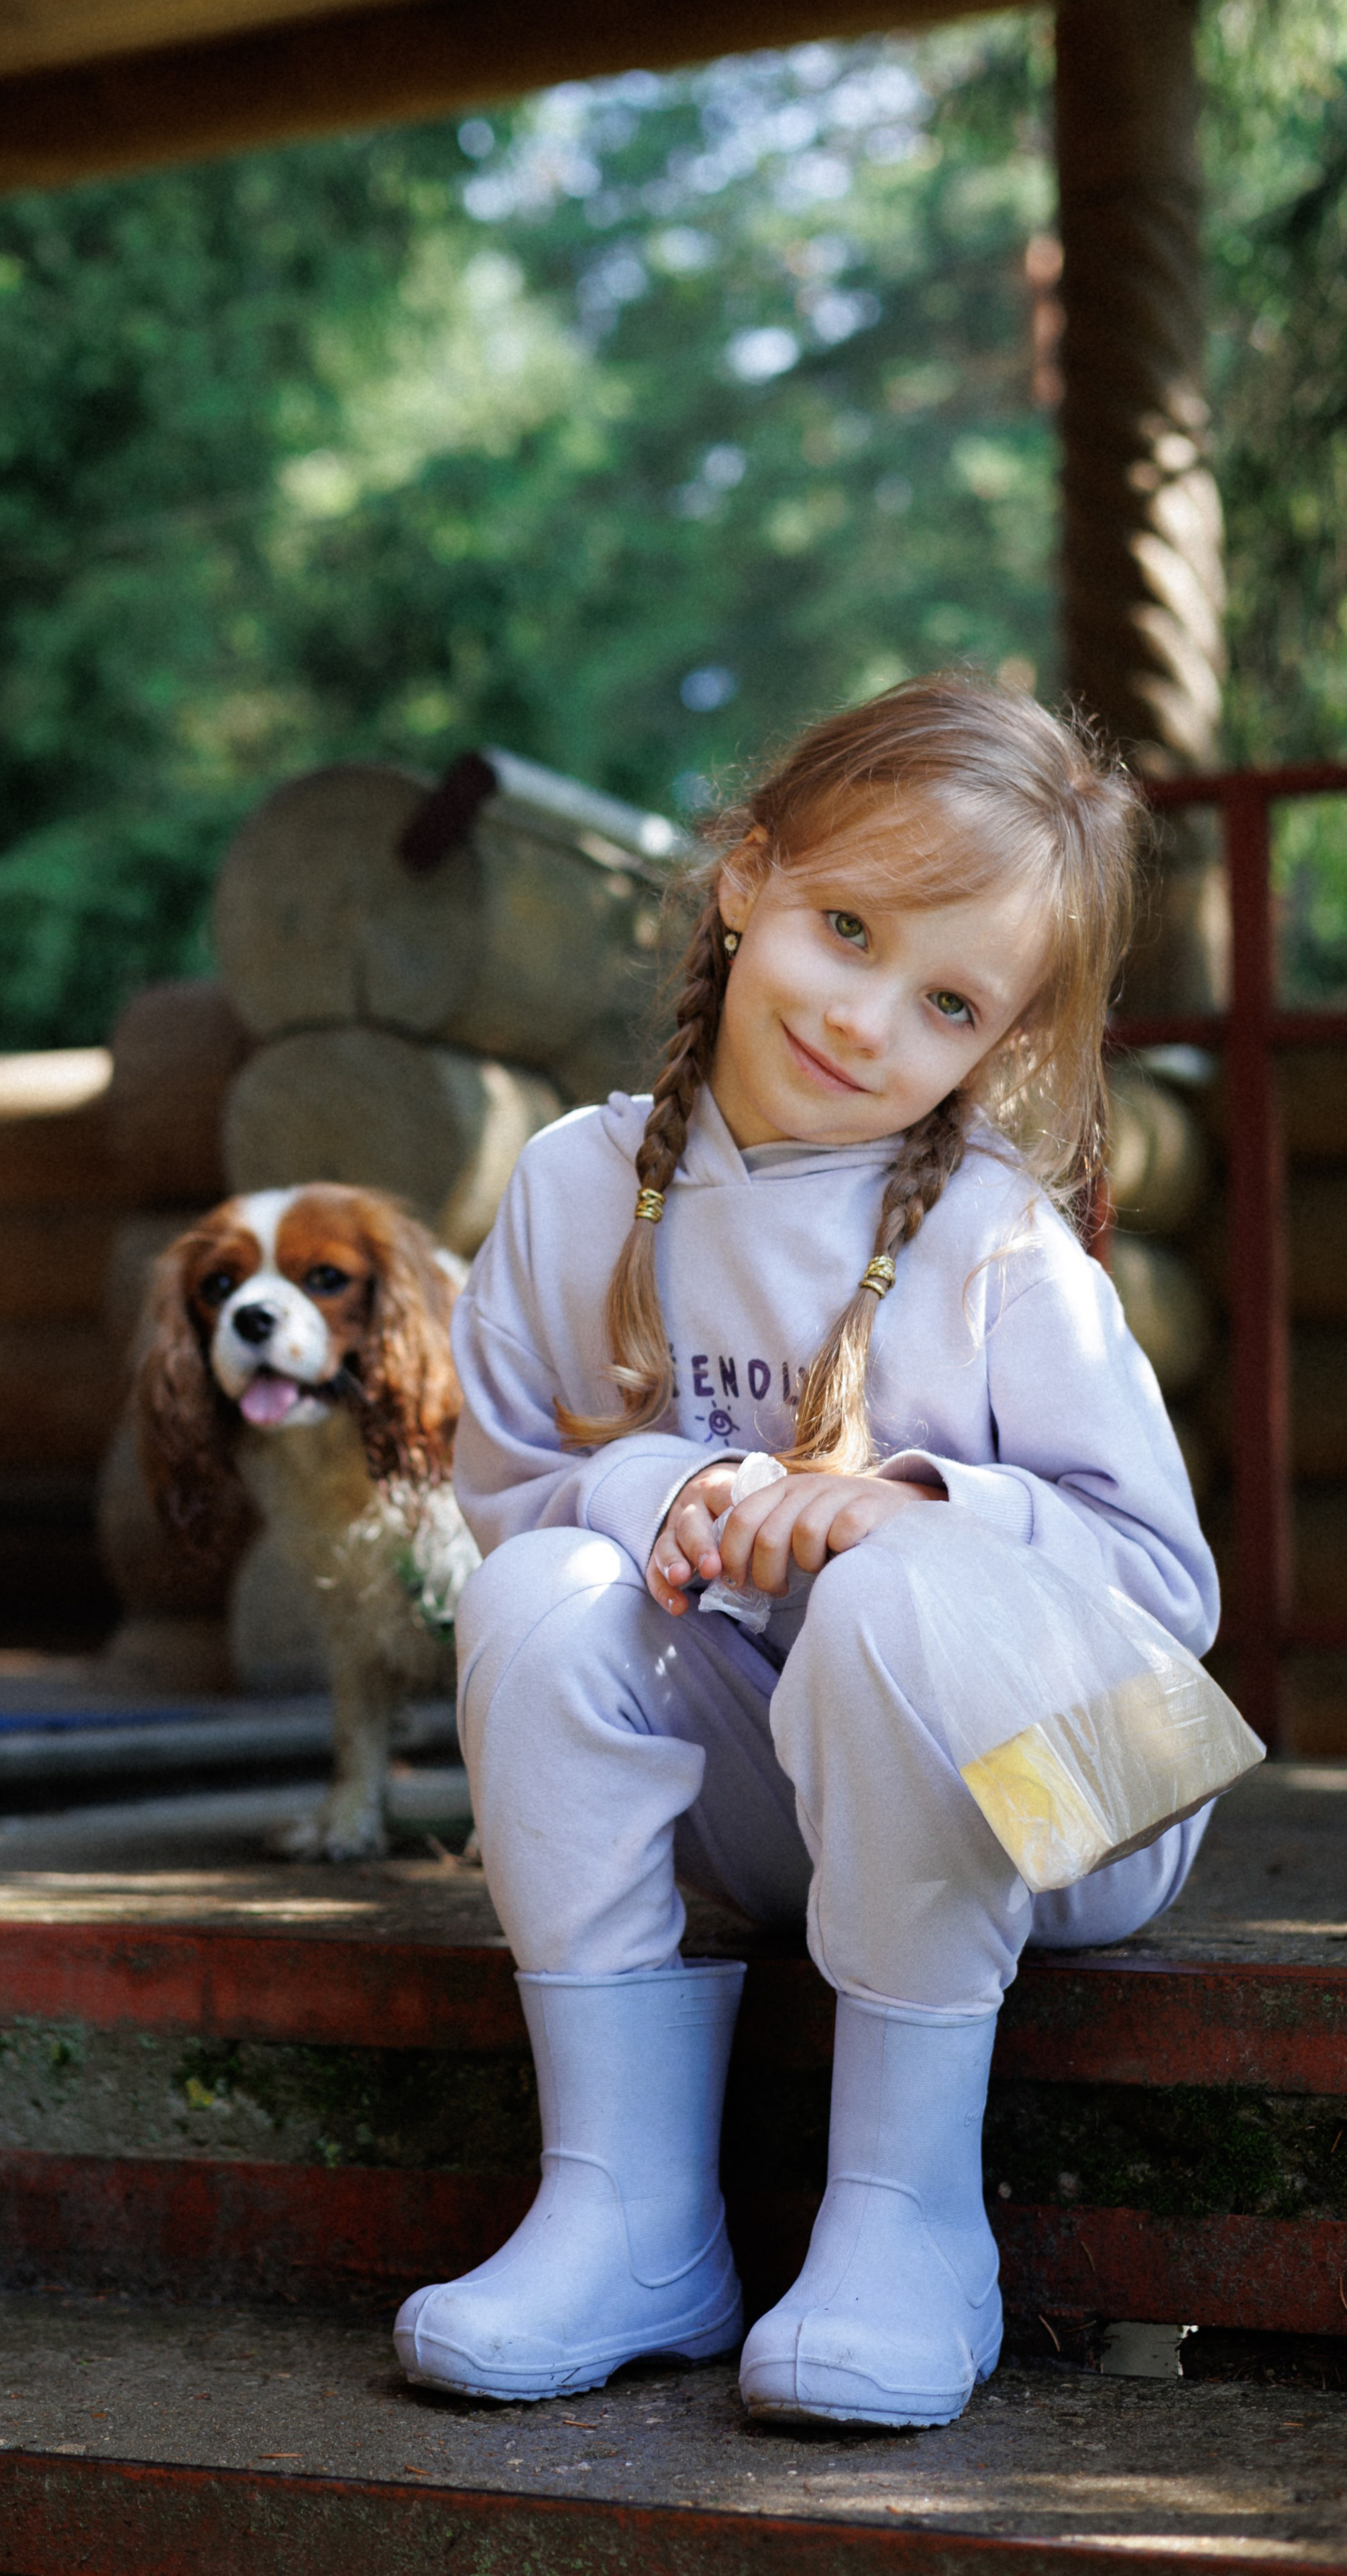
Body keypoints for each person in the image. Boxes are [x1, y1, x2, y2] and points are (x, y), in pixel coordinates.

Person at [393, 676, 1222, 2428]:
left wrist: (918, 1502)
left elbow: (1165, 1606)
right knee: (545, 1593)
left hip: (1081, 1808)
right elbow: (507, 1488)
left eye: (944, 1000)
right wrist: (665, 1493)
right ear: (746, 875)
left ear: (993, 1038)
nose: (867, 1016)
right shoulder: (572, 1188)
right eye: (845, 928)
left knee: (891, 1588)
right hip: (799, 1808)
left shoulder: (997, 1239)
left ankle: (908, 2226)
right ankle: (628, 2215)